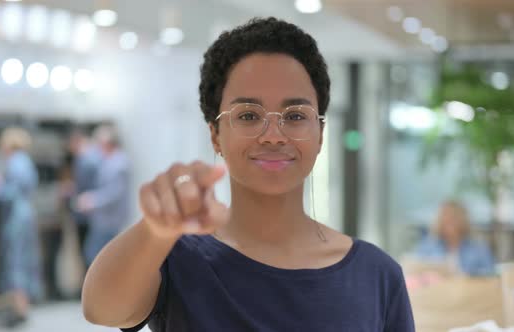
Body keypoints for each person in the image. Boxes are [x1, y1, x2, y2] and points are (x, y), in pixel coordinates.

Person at [82, 17, 414, 331]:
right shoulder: (177, 258)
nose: (273, 135)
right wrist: (155, 228)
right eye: (248, 115)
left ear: (320, 134)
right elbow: (102, 308)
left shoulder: (377, 275)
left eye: (295, 115)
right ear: (215, 134)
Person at [0, 127, 42, 327]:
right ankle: (22, 307)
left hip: (16, 218)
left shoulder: (15, 163)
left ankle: (20, 310)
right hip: (26, 215)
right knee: (25, 261)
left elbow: (8, 194)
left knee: (16, 262)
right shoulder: (26, 162)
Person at [76, 123, 130, 267]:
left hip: (109, 221)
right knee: (95, 256)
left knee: (97, 258)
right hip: (103, 220)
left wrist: (92, 201)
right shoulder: (109, 161)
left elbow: (114, 193)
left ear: (107, 143)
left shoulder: (119, 164)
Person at [414, 200, 496, 276]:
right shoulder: (427, 247)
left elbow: (491, 274)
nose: (449, 222)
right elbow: (414, 272)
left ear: (463, 220)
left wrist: (467, 275)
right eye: (446, 217)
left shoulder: (479, 248)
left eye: (454, 218)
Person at [66, 128, 101, 268]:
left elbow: (84, 187)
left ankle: (90, 288)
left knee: (88, 254)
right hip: (90, 213)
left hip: (86, 213)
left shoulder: (85, 160)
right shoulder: (93, 158)